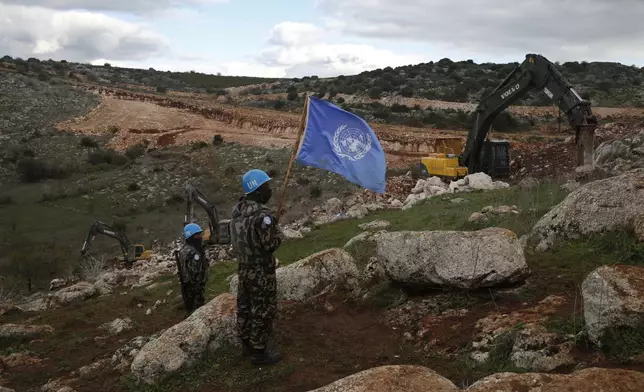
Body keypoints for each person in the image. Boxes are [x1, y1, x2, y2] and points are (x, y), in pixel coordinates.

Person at [230, 169, 283, 366]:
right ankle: (259, 353)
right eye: (266, 186)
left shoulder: (237, 211)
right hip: (261, 271)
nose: (270, 190)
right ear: (258, 190)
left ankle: (246, 345)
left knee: (244, 307)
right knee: (263, 309)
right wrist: (276, 230)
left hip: (243, 268)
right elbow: (270, 245)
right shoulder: (263, 216)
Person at [176, 223, 209, 318]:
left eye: (200, 234)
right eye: (197, 234)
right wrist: (199, 286)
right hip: (194, 287)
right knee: (197, 311)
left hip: (187, 285)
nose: (200, 237)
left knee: (190, 307)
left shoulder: (184, 250)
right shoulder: (193, 253)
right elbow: (196, 273)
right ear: (191, 236)